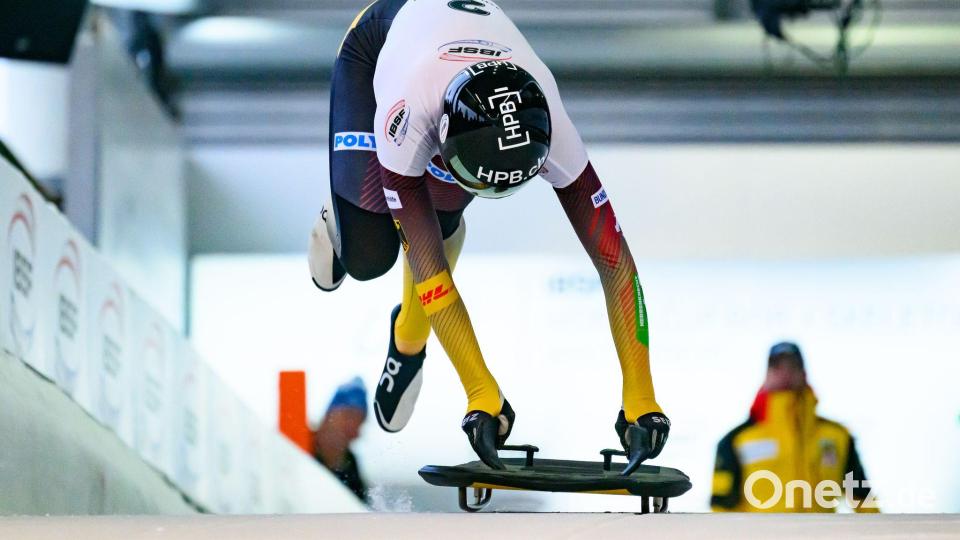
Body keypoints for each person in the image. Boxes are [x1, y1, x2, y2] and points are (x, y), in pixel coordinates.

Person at [309, 0, 668, 472]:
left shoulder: (551, 124)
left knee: (439, 215)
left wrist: (642, 395)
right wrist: (481, 390)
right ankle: (340, 218)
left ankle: (406, 337)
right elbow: (430, 270)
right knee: (369, 256)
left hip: (444, 63)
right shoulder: (407, 115)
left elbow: (616, 262)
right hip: (378, 47)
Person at [710, 342, 879, 512]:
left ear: (804, 373)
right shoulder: (736, 440)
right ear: (766, 375)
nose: (785, 373)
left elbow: (864, 501)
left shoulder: (838, 437)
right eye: (777, 366)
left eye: (793, 366)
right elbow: (720, 509)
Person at [312, 377, 369, 503]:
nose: (353, 429)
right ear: (328, 416)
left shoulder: (351, 466)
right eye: (348, 417)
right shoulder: (297, 447)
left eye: (359, 422)